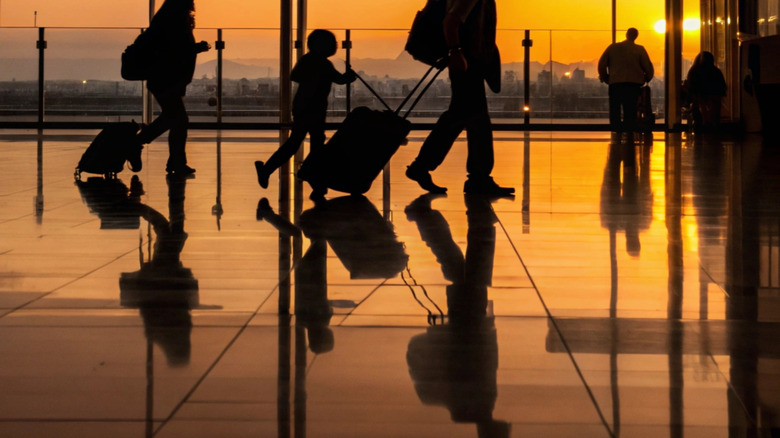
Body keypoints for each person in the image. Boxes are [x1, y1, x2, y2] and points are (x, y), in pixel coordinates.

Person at [405, 0, 514, 197]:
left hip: (466, 60)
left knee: (467, 118)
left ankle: (427, 167)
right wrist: (456, 52)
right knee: (470, 118)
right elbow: (451, 20)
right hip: (467, 62)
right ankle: (474, 178)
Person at [254, 29, 356, 196]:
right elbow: (340, 80)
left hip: (305, 107)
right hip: (313, 108)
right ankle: (315, 181)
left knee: (297, 143)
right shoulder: (322, 64)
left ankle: (271, 170)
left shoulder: (310, 60)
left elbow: (296, 76)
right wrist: (348, 76)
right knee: (315, 144)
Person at [135, 0, 210, 176]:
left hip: (165, 80)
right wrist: (196, 48)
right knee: (178, 120)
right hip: (167, 80)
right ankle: (140, 145)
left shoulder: (167, 19)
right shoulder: (175, 21)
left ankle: (172, 160)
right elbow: (175, 51)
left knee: (173, 119)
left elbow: (171, 50)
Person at [598, 28, 654, 135]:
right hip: (633, 84)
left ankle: (616, 130)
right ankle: (629, 130)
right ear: (636, 36)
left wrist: (606, 78)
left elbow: (602, 64)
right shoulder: (639, 49)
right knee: (631, 108)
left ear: (626, 34)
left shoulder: (613, 47)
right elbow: (648, 67)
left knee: (615, 108)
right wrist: (646, 79)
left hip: (616, 83)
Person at [684, 51, 726, 132]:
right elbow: (721, 88)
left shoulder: (694, 72)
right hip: (713, 100)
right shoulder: (716, 72)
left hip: (699, 100)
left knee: (700, 122)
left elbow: (691, 88)